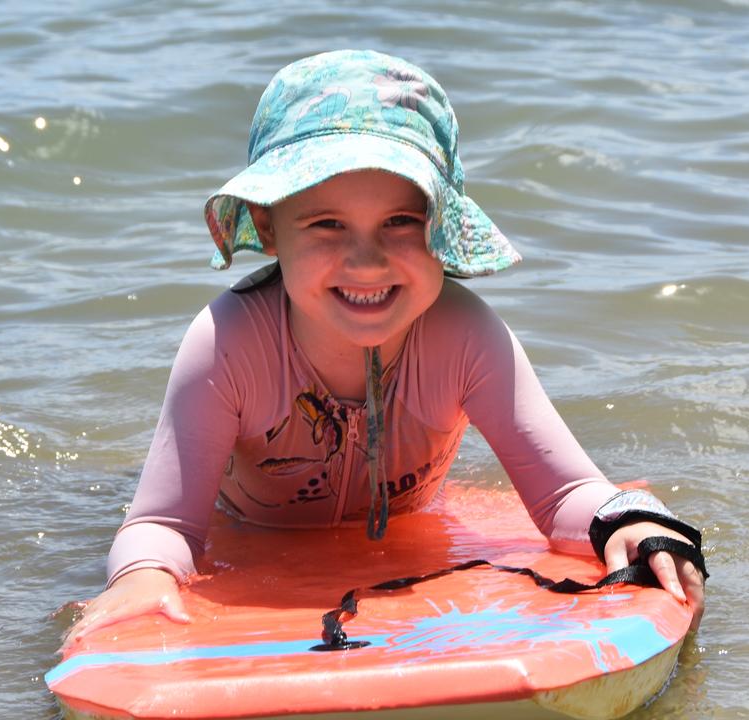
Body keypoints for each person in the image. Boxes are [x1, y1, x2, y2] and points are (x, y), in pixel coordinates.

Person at [63, 49, 707, 650]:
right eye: (326, 223)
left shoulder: (465, 336)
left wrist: (631, 520)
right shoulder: (228, 343)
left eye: (401, 221)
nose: (366, 260)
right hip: (253, 535)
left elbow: (565, 493)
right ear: (267, 226)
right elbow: (168, 524)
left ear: (443, 226)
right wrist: (143, 575)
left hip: (405, 531)